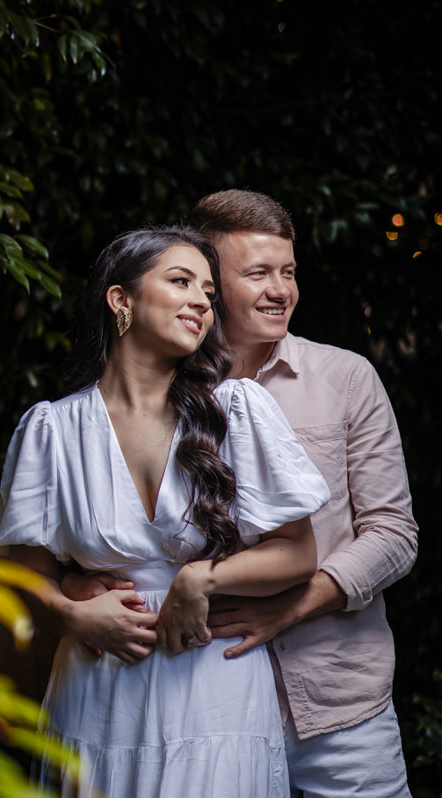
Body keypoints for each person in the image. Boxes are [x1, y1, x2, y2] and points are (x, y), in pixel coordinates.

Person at [0, 225, 330, 797]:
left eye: (207, 291)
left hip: (212, 684)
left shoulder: (237, 409)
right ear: (120, 299)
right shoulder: (52, 428)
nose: (201, 299)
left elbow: (300, 552)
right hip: (97, 687)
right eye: (180, 282)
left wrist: (201, 578)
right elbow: (22, 575)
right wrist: (70, 615)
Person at [189, 190, 418, 797]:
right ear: (208, 285)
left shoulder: (345, 377)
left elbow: (394, 534)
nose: (281, 289)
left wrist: (290, 606)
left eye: (288, 271)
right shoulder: (166, 391)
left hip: (341, 706)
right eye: (258, 273)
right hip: (205, 698)